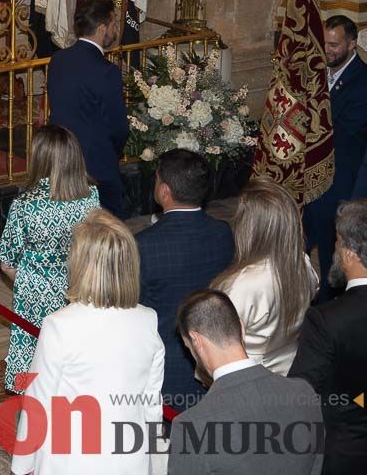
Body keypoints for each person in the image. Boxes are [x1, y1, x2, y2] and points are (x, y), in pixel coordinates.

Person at [10, 211, 164, 475]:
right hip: (128, 460)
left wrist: (21, 467)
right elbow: (152, 406)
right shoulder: (148, 320)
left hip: (70, 462)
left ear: (81, 265)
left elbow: (38, 404)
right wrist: (157, 465)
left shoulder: (59, 326)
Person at [169, 288, 324, 475]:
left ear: (196, 340)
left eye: (188, 347)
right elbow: (316, 464)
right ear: (242, 328)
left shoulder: (191, 426)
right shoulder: (303, 392)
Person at [0, 124, 100, 392]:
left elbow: (6, 261)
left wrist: (29, 279)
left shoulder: (25, 204)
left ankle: (31, 410)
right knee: (74, 348)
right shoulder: (91, 196)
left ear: (39, 157)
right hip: (77, 285)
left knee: (33, 353)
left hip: (34, 292)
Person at [136, 148, 234, 411]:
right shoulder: (223, 233)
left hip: (162, 366)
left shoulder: (144, 245)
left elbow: (133, 307)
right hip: (215, 358)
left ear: (164, 191)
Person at [289, 201, 367, 474]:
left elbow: (300, 395)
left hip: (345, 453)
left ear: (349, 253)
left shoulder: (325, 320)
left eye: (336, 241)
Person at [211, 179, 318, 374]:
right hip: (293, 367)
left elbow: (218, 345)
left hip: (250, 376)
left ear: (249, 227)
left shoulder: (240, 284)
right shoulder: (303, 263)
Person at [47, 0, 129, 216]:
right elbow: (118, 126)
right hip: (97, 168)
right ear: (102, 28)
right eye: (114, 24)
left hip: (61, 161)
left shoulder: (58, 60)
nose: (116, 30)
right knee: (105, 235)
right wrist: (114, 152)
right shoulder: (106, 71)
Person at [308, 15, 367, 298]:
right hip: (311, 178)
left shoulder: (363, 81)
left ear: (352, 44)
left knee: (333, 252)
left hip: (338, 181)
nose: (327, 50)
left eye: (334, 44)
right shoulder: (317, 71)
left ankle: (327, 308)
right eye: (324, 43)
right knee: (303, 241)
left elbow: (344, 132)